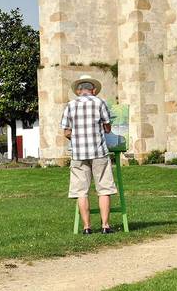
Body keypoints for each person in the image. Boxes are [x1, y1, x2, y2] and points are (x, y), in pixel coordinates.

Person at [61, 75, 117, 235]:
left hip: (79, 154)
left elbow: (66, 132)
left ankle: (86, 227)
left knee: (81, 191)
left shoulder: (70, 105)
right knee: (104, 188)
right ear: (93, 90)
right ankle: (105, 226)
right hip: (98, 151)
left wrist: (77, 137)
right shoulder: (100, 102)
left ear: (78, 91)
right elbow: (107, 128)